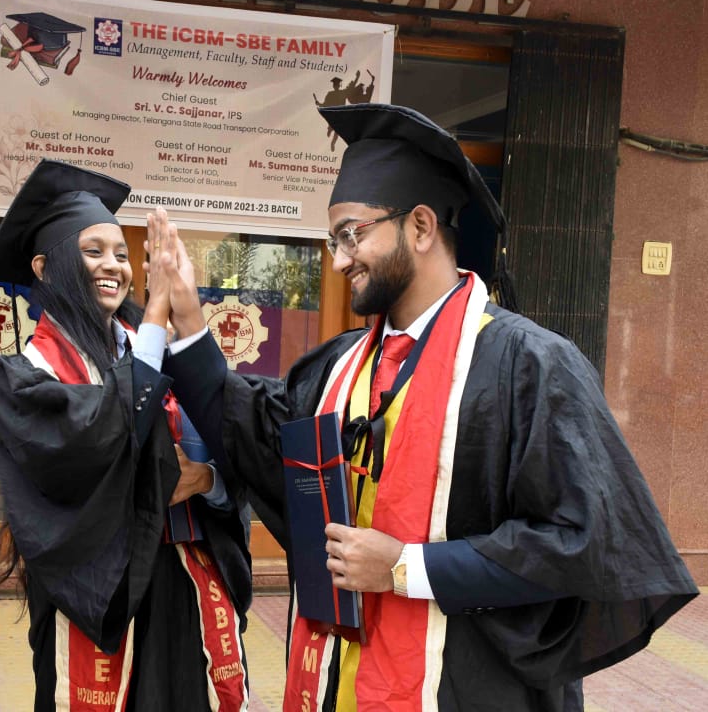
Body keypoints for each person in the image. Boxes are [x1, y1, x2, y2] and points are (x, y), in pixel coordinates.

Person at [154, 104, 698, 711]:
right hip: (341, 679)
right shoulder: (340, 368)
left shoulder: (529, 365)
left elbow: (581, 543)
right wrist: (188, 324)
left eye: (352, 234)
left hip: (467, 685)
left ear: (419, 227)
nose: (338, 260)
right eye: (334, 239)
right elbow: (254, 435)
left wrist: (407, 568)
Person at [0, 159, 252, 711]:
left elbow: (230, 441)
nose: (115, 266)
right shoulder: (28, 375)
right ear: (46, 268)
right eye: (93, 251)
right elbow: (98, 440)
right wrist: (155, 313)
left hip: (185, 582)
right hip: (98, 597)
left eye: (123, 254)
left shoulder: (160, 348)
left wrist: (209, 480)